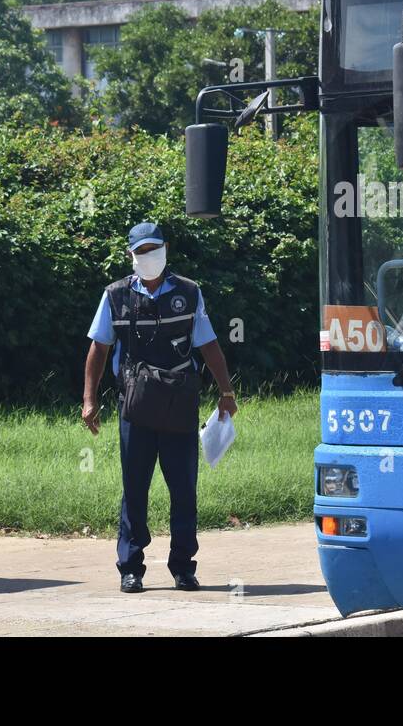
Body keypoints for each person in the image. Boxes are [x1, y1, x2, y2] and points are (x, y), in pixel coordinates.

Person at [82, 222, 238, 593]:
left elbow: (209, 345)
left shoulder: (189, 292)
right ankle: (130, 568)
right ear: (131, 255)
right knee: (134, 487)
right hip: (134, 406)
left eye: (154, 249)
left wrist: (226, 391)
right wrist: (89, 399)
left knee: (183, 488)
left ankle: (183, 567)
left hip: (179, 404)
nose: (148, 257)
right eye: (141, 251)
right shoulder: (115, 295)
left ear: (165, 249)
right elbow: (98, 348)